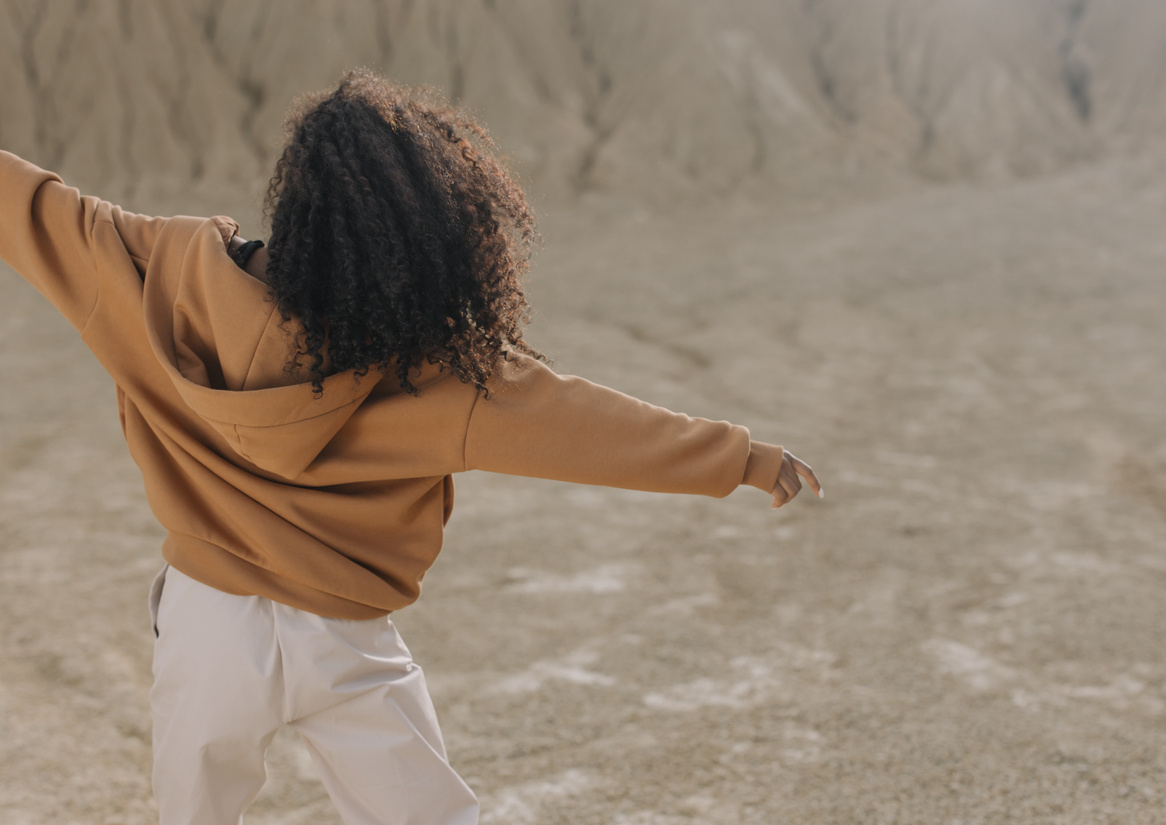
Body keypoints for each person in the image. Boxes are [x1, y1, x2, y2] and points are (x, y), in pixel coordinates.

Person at [0, 68, 820, 825]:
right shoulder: (441, 372)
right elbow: (589, 425)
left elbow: (31, 204)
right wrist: (738, 458)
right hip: (342, 638)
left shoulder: (157, 274)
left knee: (192, 812)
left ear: (299, 197)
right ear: (428, 236)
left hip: (205, 623)